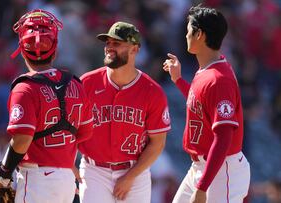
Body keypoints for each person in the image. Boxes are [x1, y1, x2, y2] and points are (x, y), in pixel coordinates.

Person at [0, 9, 93, 203]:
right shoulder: (75, 83)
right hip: (66, 179)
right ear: (55, 47)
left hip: (37, 179)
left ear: (22, 48)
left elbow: (22, 139)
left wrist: (4, 171)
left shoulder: (25, 87)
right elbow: (84, 133)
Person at [163, 5, 250, 203]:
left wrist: (202, 188)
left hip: (222, 170)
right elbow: (200, 104)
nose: (185, 35)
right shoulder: (208, 69)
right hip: (202, 167)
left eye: (188, 30)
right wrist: (178, 80)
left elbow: (223, 139)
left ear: (199, 34)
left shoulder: (220, 79)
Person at [79, 21, 171, 203]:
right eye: (108, 43)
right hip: (94, 170)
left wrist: (129, 177)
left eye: (117, 43)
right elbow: (70, 130)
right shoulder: (86, 84)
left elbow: (157, 144)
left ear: (134, 49)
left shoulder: (152, 91)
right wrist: (70, 167)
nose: (109, 48)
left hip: (135, 172)